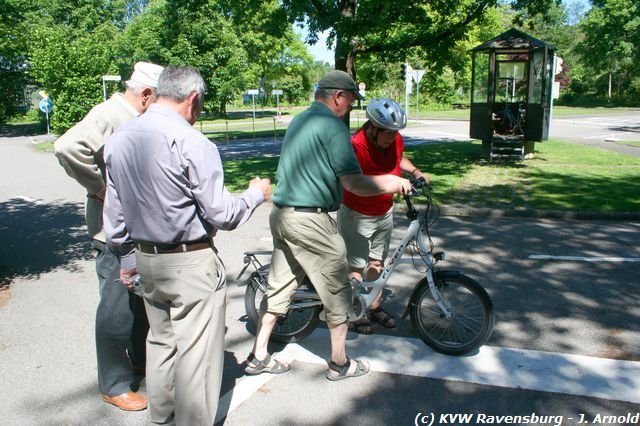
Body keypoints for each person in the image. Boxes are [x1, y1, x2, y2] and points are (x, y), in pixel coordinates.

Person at [103, 65, 271, 425]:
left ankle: (161, 418)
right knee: (197, 354)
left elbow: (114, 218)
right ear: (193, 98)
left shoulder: (119, 138)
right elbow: (223, 214)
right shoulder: (192, 141)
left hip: (147, 260)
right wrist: (255, 194)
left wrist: (127, 259)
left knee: (160, 344)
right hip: (189, 261)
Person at [245, 70, 412, 381]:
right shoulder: (333, 127)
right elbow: (354, 184)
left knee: (279, 287)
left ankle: (258, 356)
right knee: (338, 291)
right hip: (311, 220)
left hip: (282, 215)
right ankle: (339, 363)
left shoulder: (299, 120)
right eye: (349, 103)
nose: (350, 109)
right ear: (338, 97)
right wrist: (390, 182)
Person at [54, 61, 164, 411]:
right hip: (111, 233)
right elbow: (66, 147)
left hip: (135, 230)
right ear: (146, 94)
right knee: (116, 309)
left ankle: (137, 363)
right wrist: (99, 187)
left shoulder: (134, 117)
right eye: (159, 99)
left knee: (137, 303)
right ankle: (114, 384)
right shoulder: (111, 113)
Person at [337, 97, 429, 334]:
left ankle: (374, 306)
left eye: (395, 132)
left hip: (383, 212)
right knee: (355, 267)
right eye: (388, 132)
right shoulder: (356, 147)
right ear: (373, 127)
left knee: (377, 262)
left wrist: (416, 171)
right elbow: (354, 184)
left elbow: (399, 157)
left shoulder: (394, 140)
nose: (393, 137)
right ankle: (355, 312)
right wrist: (393, 182)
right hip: (357, 214)